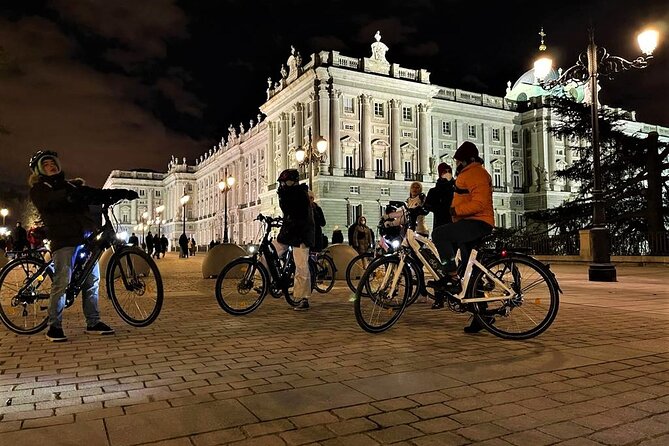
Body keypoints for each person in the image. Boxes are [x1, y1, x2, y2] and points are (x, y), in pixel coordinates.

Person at [28, 150, 138, 342]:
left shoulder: (72, 186)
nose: (51, 166)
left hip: (85, 240)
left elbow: (94, 194)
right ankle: (54, 327)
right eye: (45, 164)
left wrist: (121, 194)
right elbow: (49, 201)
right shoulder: (40, 188)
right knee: (61, 283)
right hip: (63, 239)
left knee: (92, 282)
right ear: (39, 170)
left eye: (53, 163)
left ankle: (93, 322)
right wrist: (68, 196)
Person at [430, 141, 494, 332]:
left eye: (459, 160)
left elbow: (480, 203)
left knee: (440, 234)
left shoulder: (477, 173)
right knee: (471, 272)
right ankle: (481, 317)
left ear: (469, 160)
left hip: (478, 222)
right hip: (470, 222)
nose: (456, 163)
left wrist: (454, 210)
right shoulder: (468, 173)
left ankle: (451, 275)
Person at [275, 169, 315, 311]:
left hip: (302, 235)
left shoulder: (301, 195)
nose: (284, 185)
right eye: (282, 182)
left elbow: (296, 214)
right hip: (290, 233)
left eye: (286, 182)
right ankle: (262, 279)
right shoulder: (289, 194)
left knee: (301, 266)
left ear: (294, 182)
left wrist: (291, 222)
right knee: (270, 251)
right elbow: (288, 213)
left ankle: (304, 298)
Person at [425, 163, 455, 230]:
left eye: (449, 171)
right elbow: (428, 206)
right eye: (445, 171)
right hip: (440, 223)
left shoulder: (456, 188)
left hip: (454, 223)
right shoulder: (434, 191)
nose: (447, 173)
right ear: (440, 174)